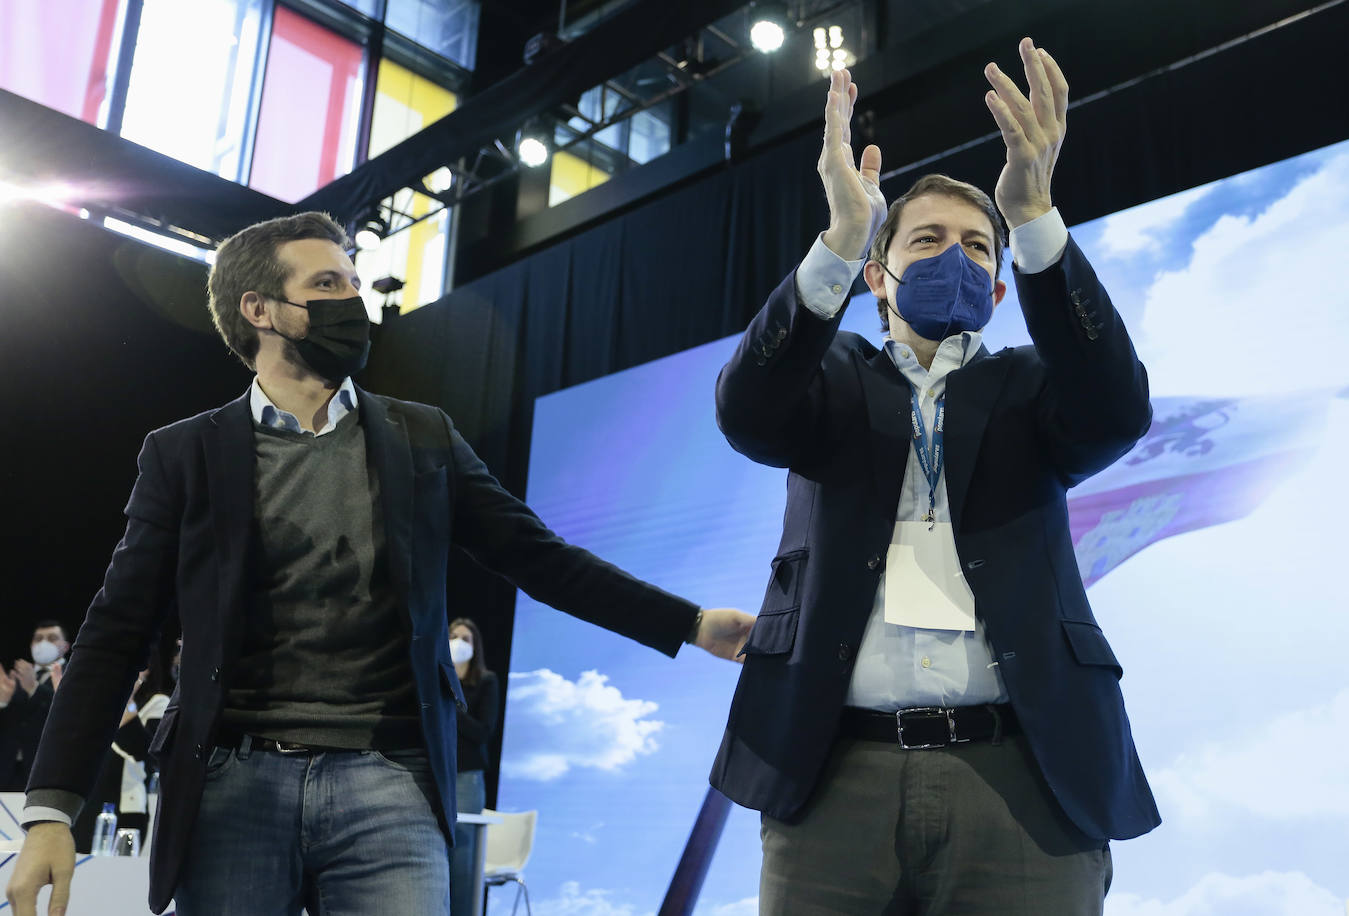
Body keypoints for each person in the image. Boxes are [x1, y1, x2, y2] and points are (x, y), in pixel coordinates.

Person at [5, 211, 755, 916]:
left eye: (356, 284)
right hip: (232, 784)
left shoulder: (421, 436)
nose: (353, 301)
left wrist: (689, 623)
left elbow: (540, 558)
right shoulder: (185, 453)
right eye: (327, 285)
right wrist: (52, 810)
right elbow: (116, 629)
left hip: (389, 778)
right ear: (258, 310)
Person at [711, 39, 1159, 915]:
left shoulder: (1034, 387)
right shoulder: (829, 376)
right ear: (879, 278)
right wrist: (841, 238)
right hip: (835, 774)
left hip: (1023, 775)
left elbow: (1116, 412)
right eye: (926, 240)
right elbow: (747, 411)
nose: (955, 256)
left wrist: (1031, 218)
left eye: (977, 247)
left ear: (998, 288)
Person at [70, 656, 170, 854]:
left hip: (126, 805)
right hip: (89, 801)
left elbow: (150, 755)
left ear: (147, 669)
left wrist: (127, 706)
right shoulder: (97, 703)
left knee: (118, 876)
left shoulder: (157, 703)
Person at [446, 617, 499, 916]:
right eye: (453, 636)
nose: (458, 642)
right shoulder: (435, 678)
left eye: (465, 638)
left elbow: (483, 732)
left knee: (463, 861)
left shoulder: (485, 681)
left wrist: (451, 702)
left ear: (474, 645)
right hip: (431, 773)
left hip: (466, 776)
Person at [0, 622, 71, 792]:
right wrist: (3, 702)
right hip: (8, 771)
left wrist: (34, 688)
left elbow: (69, 716)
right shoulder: (16, 676)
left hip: (47, 770)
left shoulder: (72, 674)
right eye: (38, 639)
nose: (43, 643)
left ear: (66, 646)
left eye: (52, 638)